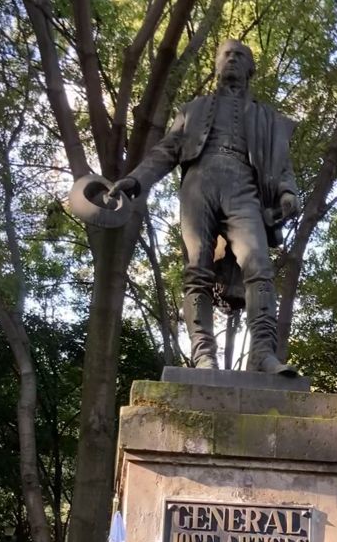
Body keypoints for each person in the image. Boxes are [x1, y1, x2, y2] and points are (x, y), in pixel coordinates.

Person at [113, 39, 300, 375]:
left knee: (259, 265)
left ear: (250, 69)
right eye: (226, 55)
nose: (231, 59)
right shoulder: (192, 109)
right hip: (199, 182)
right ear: (216, 65)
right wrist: (136, 180)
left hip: (244, 187)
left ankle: (262, 353)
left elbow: (281, 163)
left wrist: (288, 191)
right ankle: (203, 355)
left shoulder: (265, 117)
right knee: (197, 267)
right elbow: (166, 150)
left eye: (239, 56)